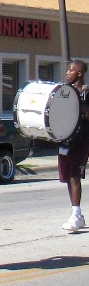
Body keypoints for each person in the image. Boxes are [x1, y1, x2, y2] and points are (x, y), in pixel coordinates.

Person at [58, 59, 89, 232]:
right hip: (65, 140)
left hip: (81, 140)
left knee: (74, 176)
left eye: (70, 70)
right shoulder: (65, 92)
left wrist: (85, 109)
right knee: (68, 177)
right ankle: (76, 213)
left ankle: (76, 214)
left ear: (79, 73)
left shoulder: (87, 94)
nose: (66, 73)